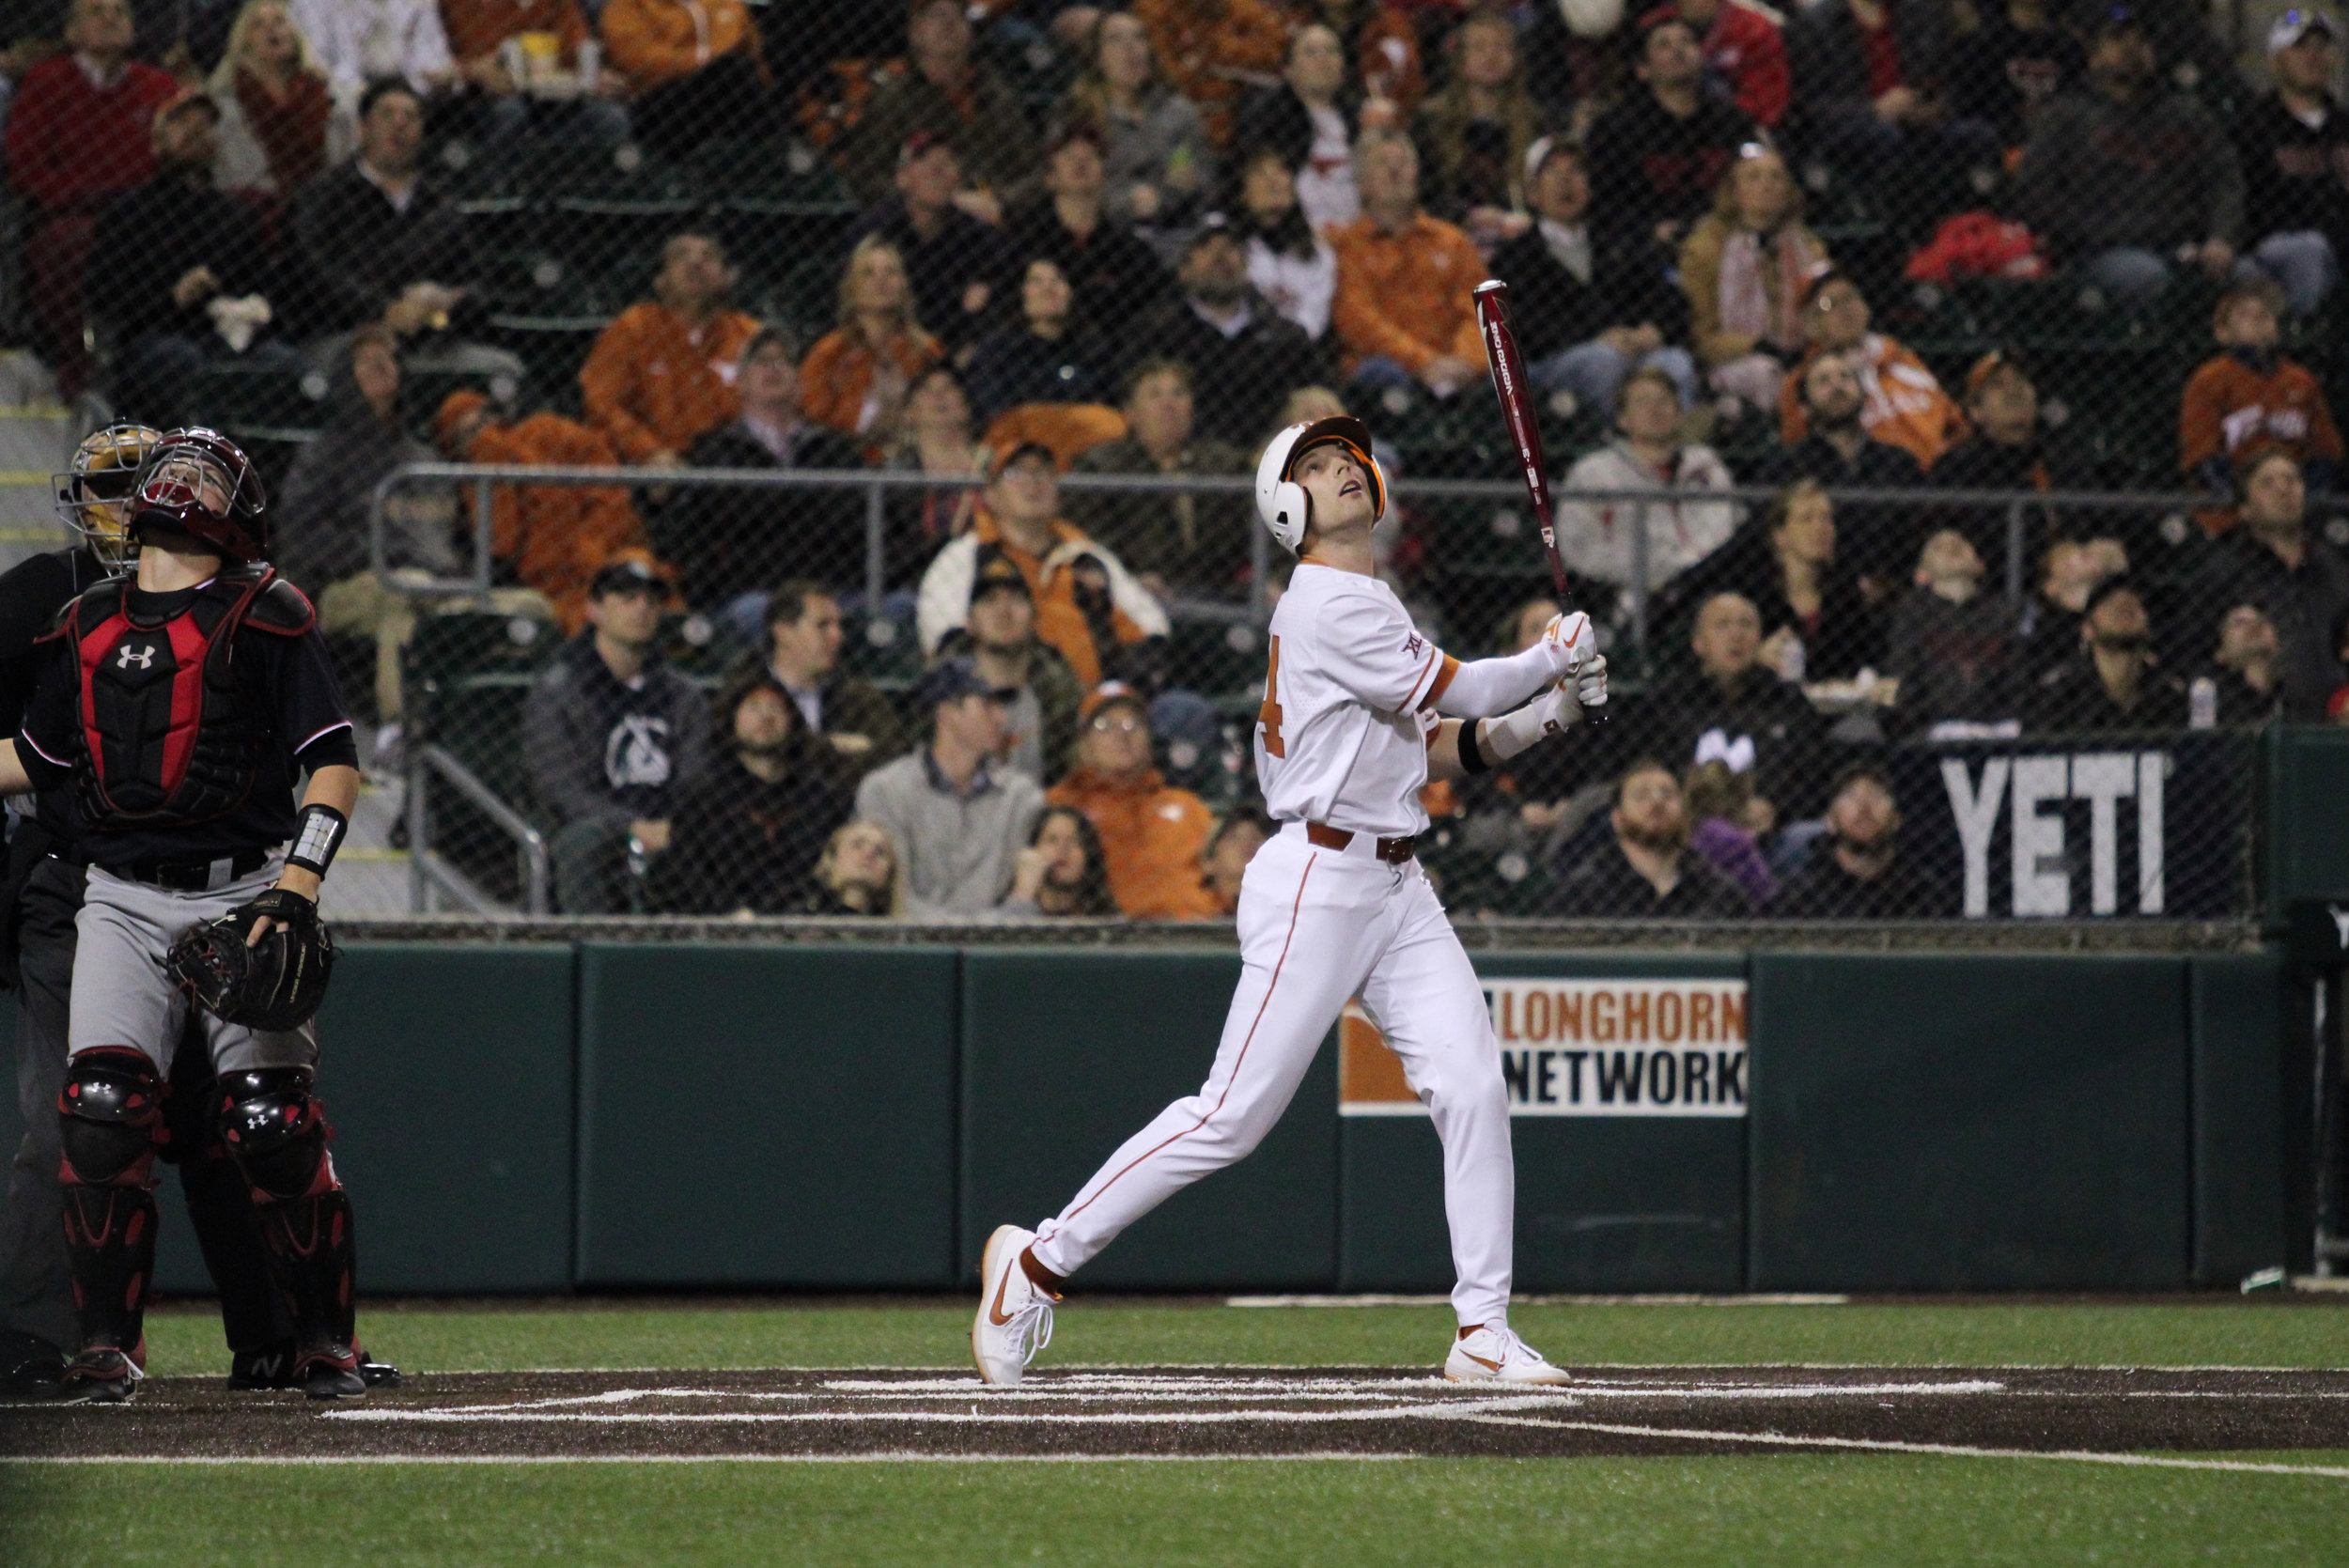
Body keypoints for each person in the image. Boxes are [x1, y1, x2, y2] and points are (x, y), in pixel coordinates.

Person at [971, 412, 1609, 1389]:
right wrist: (1547, 656)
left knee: (1473, 1083)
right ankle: (1036, 1259)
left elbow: (1446, 743)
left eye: (1346, 459)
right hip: (1318, 877)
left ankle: (1481, 1328)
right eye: (1314, 466)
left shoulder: (1368, 599)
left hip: (1395, 879)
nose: (1341, 471)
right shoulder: (1324, 600)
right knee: (1231, 1115)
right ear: (1286, 505)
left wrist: (1554, 710)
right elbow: (1470, 686)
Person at [0, 427, 379, 1399]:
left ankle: (326, 1341)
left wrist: (299, 880)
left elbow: (333, 762)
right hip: (121, 896)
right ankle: (104, 1349)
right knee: (99, 1115)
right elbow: (34, 762)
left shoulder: (268, 611)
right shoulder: (83, 617)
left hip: (244, 885)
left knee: (271, 1120)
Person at [277, 328, 466, 733]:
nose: (383, 365)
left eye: (390, 357)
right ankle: (399, 733)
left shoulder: (424, 457)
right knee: (405, 590)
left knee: (524, 608)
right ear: (347, 377)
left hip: (436, 584)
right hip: (343, 589)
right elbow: (302, 537)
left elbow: (455, 539)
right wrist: (382, 554)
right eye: (368, 360)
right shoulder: (324, 455)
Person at [90, 90, 298, 429]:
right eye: (182, 122)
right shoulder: (126, 211)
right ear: (157, 139)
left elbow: (263, 285)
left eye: (205, 125)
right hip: (152, 337)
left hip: (226, 335)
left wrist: (251, 308)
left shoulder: (235, 216)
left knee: (285, 364)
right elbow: (105, 296)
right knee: (183, 363)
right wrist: (173, 297)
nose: (195, 131)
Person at [4, 0, 179, 396]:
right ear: (72, 32)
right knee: (72, 245)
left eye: (120, 11)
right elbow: (26, 165)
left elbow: (174, 156)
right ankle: (77, 359)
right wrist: (79, 195)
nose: (111, 18)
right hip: (74, 213)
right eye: (97, 11)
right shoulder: (47, 82)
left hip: (146, 213)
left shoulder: (158, 87)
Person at [2010, 7, 2243, 303]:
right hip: (2100, 252)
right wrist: (2092, 233)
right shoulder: (2065, 115)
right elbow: (2034, 192)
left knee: (2249, 277)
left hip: (2183, 246)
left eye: (2141, 39)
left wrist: (2221, 238)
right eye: (2118, 39)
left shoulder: (2187, 113)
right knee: (2147, 275)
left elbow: (2225, 180)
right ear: (2094, 56)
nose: (2132, 47)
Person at [522, 557, 711, 912]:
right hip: (597, 829)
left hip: (670, 827)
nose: (642, 608)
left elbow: (697, 774)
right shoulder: (559, 691)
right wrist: (630, 826)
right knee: (583, 843)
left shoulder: (683, 694)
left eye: (651, 601)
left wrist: (673, 824)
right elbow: (560, 788)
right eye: (627, 598)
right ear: (594, 610)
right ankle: (597, 945)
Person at [917, 442, 1170, 687]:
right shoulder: (966, 556)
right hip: (1003, 701)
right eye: (1016, 473)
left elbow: (1150, 626)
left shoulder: (1086, 554)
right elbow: (944, 637)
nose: (1033, 482)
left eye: (1043, 472)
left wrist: (1123, 688)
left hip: (1096, 706)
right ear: (990, 496)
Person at [669, 328, 867, 608]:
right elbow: (724, 518)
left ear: (799, 381)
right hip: (750, 590)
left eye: (784, 361)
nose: (773, 369)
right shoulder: (717, 449)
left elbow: (848, 519)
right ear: (741, 382)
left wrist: (770, 505)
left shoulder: (832, 447)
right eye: (762, 361)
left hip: (829, 585)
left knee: (899, 607)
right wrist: (804, 505)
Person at [1493, 137, 1696, 411]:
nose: (1566, 182)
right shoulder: (1516, 257)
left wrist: (1652, 331)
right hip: (1553, 362)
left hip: (1629, 349)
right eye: (1553, 172)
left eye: (1576, 171)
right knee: (1604, 360)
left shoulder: (1621, 242)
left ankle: (1670, 449)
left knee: (1675, 363)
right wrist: (1596, 337)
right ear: (1532, 193)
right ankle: (1616, 442)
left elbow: (1671, 301)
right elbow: (1523, 330)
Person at [284, 80, 482, 347]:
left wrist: (444, 301)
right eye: (387, 114)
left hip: (432, 335)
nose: (399, 123)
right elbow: (314, 273)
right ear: (363, 129)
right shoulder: (323, 195)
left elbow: (474, 281)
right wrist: (385, 310)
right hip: (346, 336)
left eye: (410, 116)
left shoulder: (441, 202)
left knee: (501, 368)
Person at [437, 390, 649, 636]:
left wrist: (592, 547)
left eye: (487, 421)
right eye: (472, 434)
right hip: (547, 587)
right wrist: (492, 457)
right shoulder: (472, 484)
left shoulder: (548, 431)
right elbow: (502, 545)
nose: (487, 435)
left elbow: (611, 491)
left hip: (606, 560)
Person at [853, 659, 1045, 916]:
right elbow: (893, 900)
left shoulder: (1021, 797)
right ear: (947, 712)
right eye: (987, 705)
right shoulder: (885, 790)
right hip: (909, 949)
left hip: (996, 951)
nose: (1002, 717)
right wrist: (985, 930)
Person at [1782, 0, 1991, 237]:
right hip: (1849, 128)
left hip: (1915, 121)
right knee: (1886, 136)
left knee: (1977, 135)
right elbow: (1809, 106)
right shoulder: (1815, 24)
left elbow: (1946, 78)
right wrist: (1873, 110)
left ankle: (1972, 224)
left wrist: (1933, 106)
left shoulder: (1917, 15)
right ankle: (1896, 229)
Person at [1626, 589, 1832, 825]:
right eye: (1722, 626)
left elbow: (1815, 777)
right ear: (1699, 643)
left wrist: (1775, 808)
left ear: (1759, 638)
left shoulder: (1787, 701)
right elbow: (1646, 771)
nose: (1736, 635)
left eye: (1746, 625)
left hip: (1771, 830)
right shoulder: (1668, 702)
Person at [648, 670, 845, 914]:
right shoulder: (703, 796)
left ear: (792, 722)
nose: (765, 716)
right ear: (732, 719)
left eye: (775, 708)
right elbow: (685, 872)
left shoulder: (816, 797)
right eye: (753, 706)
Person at [1128, 215, 1331, 445]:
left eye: (1232, 248)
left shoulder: (1284, 335)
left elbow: (1322, 394)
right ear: (1183, 269)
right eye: (1207, 248)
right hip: (1185, 457)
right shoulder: (1157, 332)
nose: (1221, 257)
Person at [1556, 366, 1738, 614]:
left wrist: (1687, 570)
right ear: (1623, 418)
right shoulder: (1593, 473)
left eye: (1664, 401)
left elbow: (1723, 529)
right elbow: (1576, 547)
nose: (1655, 410)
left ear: (1679, 412)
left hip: (1701, 587)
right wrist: (1648, 570)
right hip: (1624, 594)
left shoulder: (1705, 466)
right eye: (1642, 402)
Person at [1066, 359, 1251, 600]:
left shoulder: (1226, 465)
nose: (1169, 404)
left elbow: (1261, 531)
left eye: (1178, 393)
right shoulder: (1101, 467)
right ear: (1130, 413)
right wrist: (1128, 576)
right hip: (1134, 592)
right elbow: (1088, 538)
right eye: (1154, 395)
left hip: (1221, 592)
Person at [1754, 350, 1930, 598]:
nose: (1837, 386)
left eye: (1845, 377)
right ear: (1804, 408)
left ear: (1864, 397)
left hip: (1897, 593)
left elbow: (1920, 531)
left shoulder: (1899, 462)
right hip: (1819, 594)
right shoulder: (1785, 467)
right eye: (1823, 381)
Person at [580, 232, 763, 469]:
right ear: (661, 280)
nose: (696, 263)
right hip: (642, 467)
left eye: (708, 257)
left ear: (726, 278)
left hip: (731, 468)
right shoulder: (632, 328)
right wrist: (648, 451)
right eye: (681, 256)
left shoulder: (750, 335)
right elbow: (601, 403)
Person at [1328, 128, 1488, 397]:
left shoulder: (1452, 241)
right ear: (1362, 183)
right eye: (1382, 163)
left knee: (1512, 377)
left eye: (1402, 162)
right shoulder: (1347, 245)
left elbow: (1481, 312)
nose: (1394, 171)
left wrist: (1466, 362)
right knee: (1381, 375)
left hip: (1458, 369)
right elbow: (1358, 321)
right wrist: (1424, 362)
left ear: (1416, 173)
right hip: (1391, 369)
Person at [835, 0, 1040, 207]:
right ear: (915, 33)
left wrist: (996, 201)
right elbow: (864, 177)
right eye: (935, 15)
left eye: (958, 15)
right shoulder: (894, 99)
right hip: (922, 223)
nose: (948, 23)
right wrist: (932, 198)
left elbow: (1033, 174)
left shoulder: (996, 94)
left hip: (993, 218)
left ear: (970, 32)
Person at [2193, 450, 2349, 720]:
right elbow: (2197, 651)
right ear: (2245, 509)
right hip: (2260, 720)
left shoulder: (2334, 566)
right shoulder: (2224, 572)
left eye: (2292, 480)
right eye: (2267, 483)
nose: (2283, 490)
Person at [1043, 681, 1219, 919]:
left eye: (1132, 724)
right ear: (1083, 743)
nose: (1121, 735)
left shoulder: (1188, 807)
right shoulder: (1060, 806)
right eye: (1104, 725)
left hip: (1192, 936)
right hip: (1105, 940)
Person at [1584, 16, 1755, 256]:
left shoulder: (1731, 122)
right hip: (1644, 253)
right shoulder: (1615, 129)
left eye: (1686, 41)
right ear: (1643, 69)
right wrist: (1648, 231)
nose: (1678, 50)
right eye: (1664, 45)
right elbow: (1605, 204)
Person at [1679, 142, 1830, 411]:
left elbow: (1826, 305)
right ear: (1734, 191)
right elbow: (1700, 335)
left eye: (1776, 176)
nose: (1767, 185)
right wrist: (1759, 345)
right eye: (1754, 177)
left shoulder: (1809, 249)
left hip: (1803, 349)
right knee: (1765, 373)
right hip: (1735, 358)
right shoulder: (1705, 250)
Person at [848, 132, 1016, 355]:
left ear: (959, 178)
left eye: (947, 163)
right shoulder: (874, 231)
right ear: (902, 177)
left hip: (957, 349)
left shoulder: (977, 234)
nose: (937, 172)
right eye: (925, 162)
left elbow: (1008, 281)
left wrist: (989, 293)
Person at [1778, 272, 1968, 469]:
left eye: (1850, 298)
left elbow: (1954, 422)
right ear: (1810, 324)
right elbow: (1799, 447)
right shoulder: (1802, 382)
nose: (1845, 310)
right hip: (1871, 480)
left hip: (1937, 474)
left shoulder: (1902, 360)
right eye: (1829, 304)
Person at [2178, 276, 2341, 501]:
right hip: (2234, 505)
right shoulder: (2210, 378)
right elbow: (2202, 458)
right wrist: (2246, 501)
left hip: (2291, 498)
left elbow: (2326, 452)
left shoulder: (2301, 380)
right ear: (2222, 332)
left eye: (2266, 313)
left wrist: (2305, 499)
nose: (2257, 319)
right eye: (2244, 314)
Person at [1062, 9, 1215, 242]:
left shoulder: (1179, 111)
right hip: (1114, 237)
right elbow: (1070, 189)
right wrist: (1126, 202)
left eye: (1139, 37)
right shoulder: (1080, 118)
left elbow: (1209, 181)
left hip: (1186, 228)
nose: (1131, 48)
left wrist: (1191, 183)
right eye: (1116, 39)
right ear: (1097, 57)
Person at [1004, 126, 1175, 334]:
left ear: (1104, 175)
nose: (1081, 162)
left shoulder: (1126, 247)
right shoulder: (1023, 237)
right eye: (1069, 156)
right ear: (1050, 176)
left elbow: (1154, 298)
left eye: (1091, 156)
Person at [2233, 8, 2348, 317]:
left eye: (2320, 47)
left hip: (2340, 248)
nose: (2313, 56)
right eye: (2300, 47)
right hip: (2276, 248)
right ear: (2274, 61)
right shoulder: (2254, 126)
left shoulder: (2343, 126)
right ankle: (2302, 342)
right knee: (2307, 249)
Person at [749, 582, 910, 791]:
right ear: (783, 633)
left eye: (838, 625)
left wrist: (805, 749)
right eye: (823, 625)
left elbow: (894, 760)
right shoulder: (744, 693)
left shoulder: (860, 697)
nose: (837, 636)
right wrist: (833, 747)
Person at [944, 551, 1083, 784]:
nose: (1004, 611)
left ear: (1034, 619)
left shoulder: (1063, 692)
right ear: (969, 622)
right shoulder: (942, 691)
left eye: (1017, 600)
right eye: (989, 601)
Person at [1548, 761, 1752, 917]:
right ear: (1617, 818)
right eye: (1641, 796)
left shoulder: (1718, 890)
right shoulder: (1584, 891)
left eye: (1668, 794)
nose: (1657, 802)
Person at [1410, 11, 1547, 240]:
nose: (1490, 56)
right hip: (1448, 234)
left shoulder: (1534, 122)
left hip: (1516, 236)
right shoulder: (1430, 120)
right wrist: (1466, 217)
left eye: (1500, 47)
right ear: (1461, 60)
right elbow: (1425, 190)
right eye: (1479, 47)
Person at [800, 236, 943, 448]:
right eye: (868, 273)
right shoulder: (828, 354)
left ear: (904, 286)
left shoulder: (926, 350)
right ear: (852, 289)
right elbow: (811, 417)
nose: (881, 280)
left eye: (891, 272)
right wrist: (869, 420)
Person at [1930, 351, 2063, 568]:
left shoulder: (2060, 457)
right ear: (1976, 411)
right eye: (1997, 384)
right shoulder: (1958, 467)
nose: (2014, 390)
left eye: (2021, 380)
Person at [209, 0, 350, 200]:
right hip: (253, 206)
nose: (271, 28)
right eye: (258, 24)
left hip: (325, 201)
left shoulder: (329, 94)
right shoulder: (226, 102)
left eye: (280, 21)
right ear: (245, 41)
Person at [598, 0, 770, 161]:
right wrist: (702, 60)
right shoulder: (628, 5)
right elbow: (638, 60)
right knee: (730, 69)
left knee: (740, 75)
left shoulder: (727, 4)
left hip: (722, 95)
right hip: (655, 102)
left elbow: (752, 53)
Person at [1232, 23, 1360, 232]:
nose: (1323, 59)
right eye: (1310, 52)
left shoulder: (1358, 117)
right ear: (1288, 70)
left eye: (1332, 51)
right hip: (1295, 234)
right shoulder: (1268, 118)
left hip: (1356, 235)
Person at [441, 0, 626, 145]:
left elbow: (576, 47)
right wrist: (474, 70)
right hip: (484, 98)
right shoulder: (461, 4)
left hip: (552, 98)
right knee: (511, 112)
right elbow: (441, 61)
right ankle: (497, 189)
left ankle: (581, 190)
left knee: (610, 118)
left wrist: (594, 74)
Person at [1885, 528, 2014, 730]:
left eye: (1962, 542)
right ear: (1922, 574)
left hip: (1995, 727)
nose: (1953, 546)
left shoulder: (2000, 613)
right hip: (1931, 728)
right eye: (1939, 547)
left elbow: (2015, 678)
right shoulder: (1912, 613)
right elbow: (1904, 678)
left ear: (1980, 565)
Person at [965, 256, 1116, 427]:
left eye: (1057, 279)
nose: (1048, 288)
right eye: (1036, 281)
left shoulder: (1093, 349)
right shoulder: (997, 351)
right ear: (1021, 294)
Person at [2026, 575, 2188, 729]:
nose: (2125, 601)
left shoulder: (2168, 695)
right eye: (2108, 600)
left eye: (2138, 601)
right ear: (2087, 629)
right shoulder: (2060, 697)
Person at [1773, 766, 1937, 916]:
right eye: (1851, 795)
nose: (1864, 805)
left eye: (1876, 794)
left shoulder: (1921, 890)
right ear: (1830, 822)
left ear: (1896, 820)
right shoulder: (1804, 894)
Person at [1133, 0, 1289, 151]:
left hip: (1239, 117)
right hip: (1180, 120)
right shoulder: (1154, 8)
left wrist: (1219, 50)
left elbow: (1277, 49)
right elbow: (1170, 73)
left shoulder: (1241, 7)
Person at [883, 365, 992, 576]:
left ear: (966, 405)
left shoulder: (995, 464)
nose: (939, 396)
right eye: (927, 390)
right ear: (909, 412)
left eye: (949, 388)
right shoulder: (895, 471)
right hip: (920, 572)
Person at [1945, 0, 2083, 157]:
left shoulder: (2069, 46)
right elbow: (1969, 105)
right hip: (1996, 142)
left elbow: (2076, 98)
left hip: (2056, 145)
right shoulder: (1985, 42)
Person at [1232, 147, 1339, 344]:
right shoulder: (1231, 247)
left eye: (1281, 170)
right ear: (1243, 194)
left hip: (1295, 352)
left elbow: (1311, 324)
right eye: (1260, 173)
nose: (1273, 180)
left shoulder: (1318, 253)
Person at [1637, 0, 1791, 128]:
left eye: (1685, 41)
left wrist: (1726, 119)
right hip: (1661, 119)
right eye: (1665, 44)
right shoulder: (1655, 23)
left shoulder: (1755, 29)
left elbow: (1767, 102)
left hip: (1734, 125)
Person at [289, 0, 454, 105]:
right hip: (343, 99)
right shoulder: (312, 3)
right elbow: (314, 61)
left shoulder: (418, 3)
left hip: (414, 95)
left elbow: (436, 60)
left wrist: (437, 75)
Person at [1004, 803, 1121, 917]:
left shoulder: (1107, 922)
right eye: (1052, 839)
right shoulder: (1002, 915)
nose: (1062, 849)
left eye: (1074, 841)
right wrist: (1022, 896)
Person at [2189, 602, 2288, 726]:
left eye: (2262, 621)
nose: (2254, 626)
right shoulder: (2208, 692)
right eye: (2239, 622)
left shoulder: (2293, 692)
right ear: (2220, 653)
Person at [800, 819, 905, 916]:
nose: (868, 854)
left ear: (889, 873)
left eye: (880, 851)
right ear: (833, 858)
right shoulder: (799, 922)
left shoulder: (897, 933)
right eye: (857, 845)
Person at [1199, 806, 1271, 915]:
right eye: (1234, 838)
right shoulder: (1191, 913)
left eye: (1255, 837)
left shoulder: (1285, 911)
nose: (1248, 844)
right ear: (1209, 862)